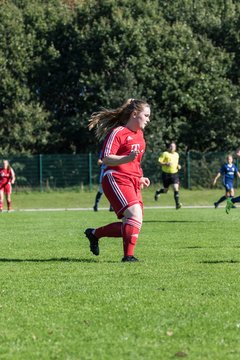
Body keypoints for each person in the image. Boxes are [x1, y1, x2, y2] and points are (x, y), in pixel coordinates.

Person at [84, 98, 151, 262]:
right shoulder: (118, 133)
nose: (149, 120)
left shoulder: (140, 136)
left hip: (132, 180)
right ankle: (128, 257)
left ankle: (94, 234)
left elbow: (135, 162)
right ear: (135, 114)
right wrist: (126, 158)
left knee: (134, 222)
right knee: (134, 216)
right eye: (146, 115)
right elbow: (106, 159)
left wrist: (140, 177)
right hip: (115, 178)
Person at [154, 142, 182, 209]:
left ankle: (177, 204)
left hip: (174, 174)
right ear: (169, 147)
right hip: (166, 174)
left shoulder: (177, 155)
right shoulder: (165, 154)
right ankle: (158, 192)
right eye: (171, 146)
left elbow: (176, 163)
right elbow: (159, 162)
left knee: (176, 188)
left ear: (175, 148)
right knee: (166, 190)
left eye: (174, 147)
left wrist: (178, 166)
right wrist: (166, 163)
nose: (172, 148)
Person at [226, 149, 240, 214]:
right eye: (237, 152)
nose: (237, 153)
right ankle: (232, 201)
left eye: (238, 152)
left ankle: (231, 201)